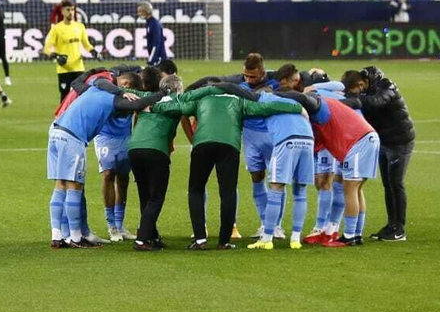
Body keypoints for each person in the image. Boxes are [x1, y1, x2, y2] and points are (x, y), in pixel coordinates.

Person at [148, 86, 299, 250]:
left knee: (196, 190)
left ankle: (200, 240)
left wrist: (153, 106)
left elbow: (178, 107)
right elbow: (268, 106)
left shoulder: (201, 99)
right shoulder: (239, 101)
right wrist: (297, 106)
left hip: (202, 145)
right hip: (229, 146)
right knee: (228, 192)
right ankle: (224, 241)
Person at [47, 72, 155, 248]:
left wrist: (93, 71)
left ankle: (59, 236)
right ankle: (75, 238)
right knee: (75, 186)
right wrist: (164, 93)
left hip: (57, 130)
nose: (123, 87)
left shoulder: (90, 89)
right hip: (73, 137)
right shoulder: (111, 98)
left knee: (61, 185)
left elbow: (79, 82)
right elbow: (137, 103)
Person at [270, 84, 381, 247]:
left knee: (350, 189)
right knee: (356, 188)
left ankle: (349, 236)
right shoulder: (328, 108)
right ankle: (356, 234)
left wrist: (274, 96)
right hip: (364, 140)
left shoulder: (320, 106)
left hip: (358, 143)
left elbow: (302, 98)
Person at [193, 53, 280, 238]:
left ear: (263, 72)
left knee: (276, 180)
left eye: (253, 77)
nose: (248, 80)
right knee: (257, 177)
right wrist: (189, 89)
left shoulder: (276, 83)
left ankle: (276, 226)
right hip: (249, 136)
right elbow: (212, 80)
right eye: (246, 76)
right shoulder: (239, 82)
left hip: (273, 135)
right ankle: (265, 224)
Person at [341, 67, 415, 242]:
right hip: (385, 140)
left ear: (364, 82)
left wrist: (355, 99)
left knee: (396, 184)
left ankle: (399, 229)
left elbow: (377, 101)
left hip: (400, 141)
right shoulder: (368, 91)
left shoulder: (387, 86)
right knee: (388, 184)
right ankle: (391, 225)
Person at [127, 73, 184, 250]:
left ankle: (151, 235)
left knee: (145, 194)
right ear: (178, 89)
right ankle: (142, 239)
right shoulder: (177, 103)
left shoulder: (146, 98)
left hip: (134, 148)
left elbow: (125, 91)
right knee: (156, 196)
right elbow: (189, 107)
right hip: (156, 150)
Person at [42, 2, 92, 100]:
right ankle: (61, 116)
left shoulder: (80, 26)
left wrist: (94, 52)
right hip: (64, 69)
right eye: (68, 10)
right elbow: (46, 49)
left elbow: (87, 45)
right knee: (64, 97)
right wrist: (56, 56)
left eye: (72, 9)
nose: (71, 12)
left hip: (78, 68)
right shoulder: (57, 29)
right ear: (62, 12)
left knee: (81, 97)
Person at [137, 2, 167, 67]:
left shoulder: (155, 24)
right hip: (156, 58)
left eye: (140, 11)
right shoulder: (149, 23)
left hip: (159, 59)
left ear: (146, 11)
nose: (138, 14)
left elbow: (156, 44)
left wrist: (151, 59)